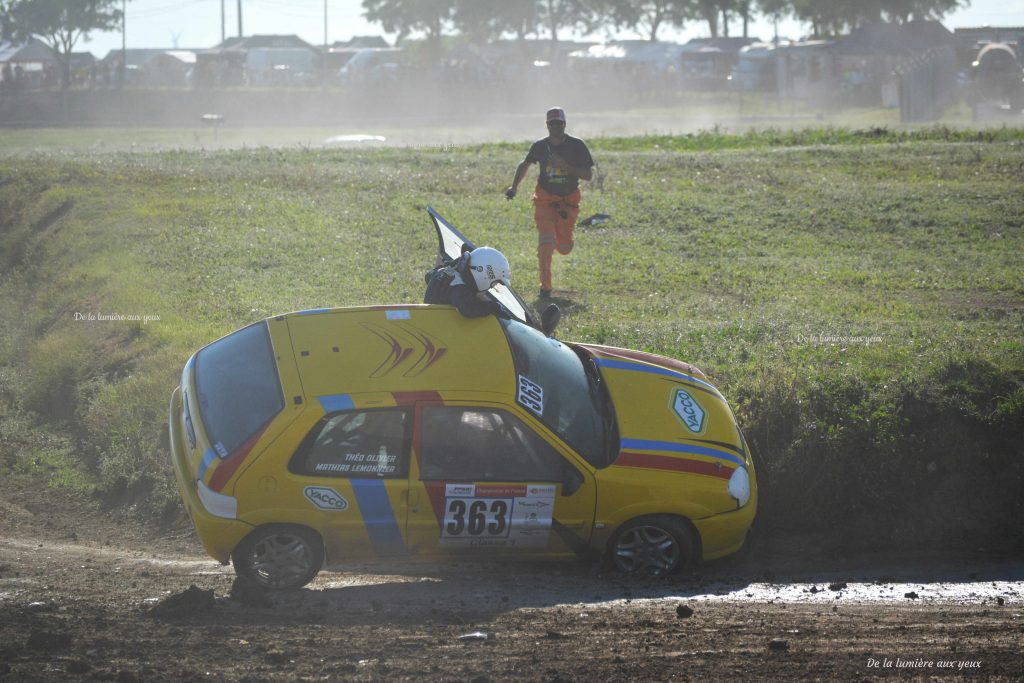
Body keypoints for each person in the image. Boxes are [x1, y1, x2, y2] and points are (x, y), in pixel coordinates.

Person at [505, 107, 594, 299]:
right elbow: (525, 164)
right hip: (544, 200)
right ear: (547, 125)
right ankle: (545, 288)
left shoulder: (577, 146)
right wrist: (514, 187)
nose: (556, 127)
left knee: (564, 248)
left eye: (559, 123)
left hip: (568, 201)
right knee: (546, 243)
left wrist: (565, 166)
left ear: (564, 124)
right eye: (552, 124)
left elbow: (588, 175)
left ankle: (558, 239)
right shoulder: (539, 146)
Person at [423, 246, 511, 318]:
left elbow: (428, 276)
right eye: (493, 283)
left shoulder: (449, 272)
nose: (491, 287)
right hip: (439, 329)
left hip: (435, 321)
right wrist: (493, 307)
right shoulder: (458, 286)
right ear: (485, 274)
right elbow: (468, 309)